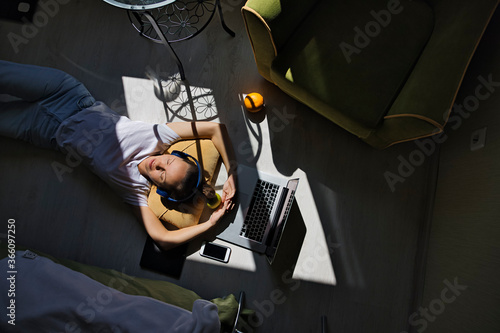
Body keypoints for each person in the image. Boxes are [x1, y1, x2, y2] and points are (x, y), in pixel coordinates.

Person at [0, 60, 237, 250]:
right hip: (67, 94)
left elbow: (163, 239)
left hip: (44, 130)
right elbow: (216, 129)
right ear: (175, 153)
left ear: (162, 190)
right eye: (168, 161)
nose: (158, 165)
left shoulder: (134, 190)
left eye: (162, 175)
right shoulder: (159, 137)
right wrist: (232, 173)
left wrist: (210, 224)